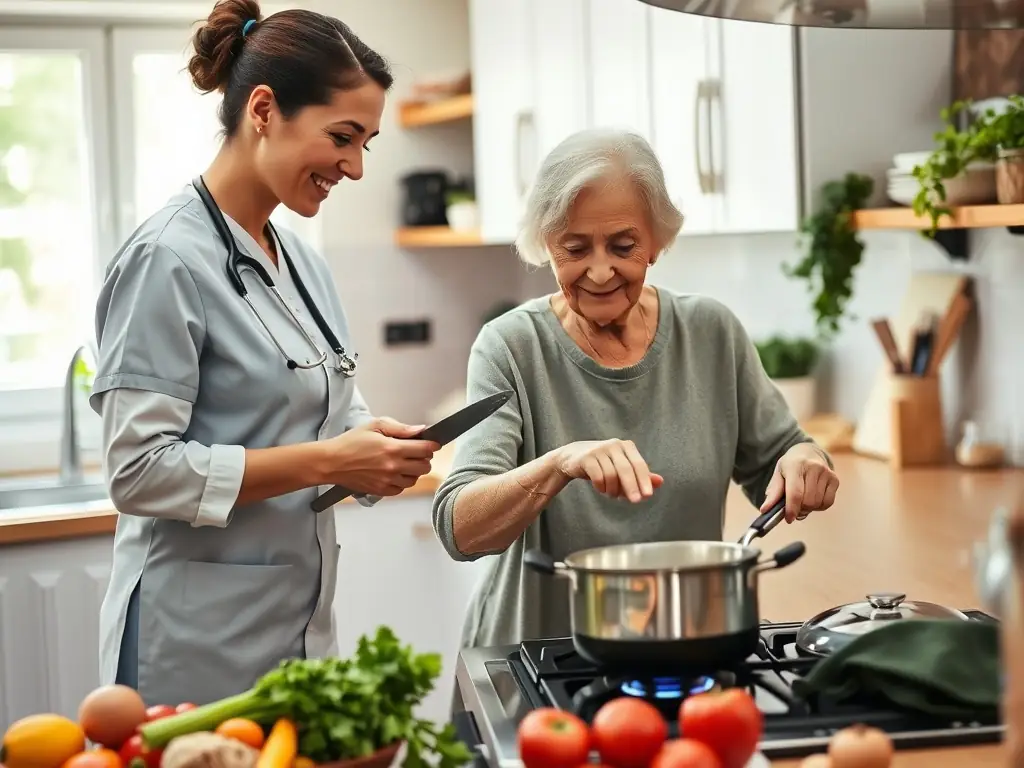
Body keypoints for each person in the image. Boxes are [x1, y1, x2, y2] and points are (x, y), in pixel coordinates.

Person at [90, 0, 439, 706]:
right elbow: (138, 472)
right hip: (191, 645)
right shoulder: (167, 259)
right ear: (263, 110)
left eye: (366, 144)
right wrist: (330, 461)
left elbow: (328, 411)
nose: (355, 166)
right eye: (342, 137)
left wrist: (373, 451)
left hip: (297, 633)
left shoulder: (302, 264)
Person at [431, 128, 841, 650]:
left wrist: (806, 461)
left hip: (686, 642)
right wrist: (560, 463)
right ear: (547, 246)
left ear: (656, 241)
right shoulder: (510, 346)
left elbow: (782, 457)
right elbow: (460, 528)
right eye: (574, 248)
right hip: (535, 658)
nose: (601, 271)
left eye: (623, 246)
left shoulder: (710, 332)